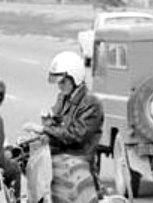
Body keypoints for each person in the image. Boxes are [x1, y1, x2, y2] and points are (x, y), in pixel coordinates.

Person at [25, 51, 104, 188]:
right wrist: (48, 121)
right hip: (60, 151)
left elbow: (75, 135)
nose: (60, 86)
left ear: (75, 78)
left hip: (77, 158)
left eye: (63, 82)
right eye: (58, 82)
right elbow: (56, 123)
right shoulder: (63, 97)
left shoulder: (91, 103)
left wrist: (44, 129)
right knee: (23, 154)